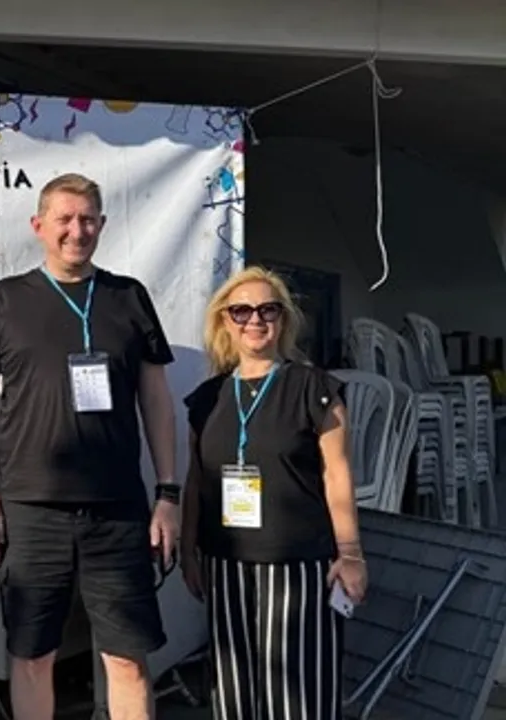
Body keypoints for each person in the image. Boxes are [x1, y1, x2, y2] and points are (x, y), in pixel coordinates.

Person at [0, 173, 181, 720]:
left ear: (102, 225)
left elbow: (156, 399)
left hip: (118, 510)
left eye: (87, 220)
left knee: (127, 658)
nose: (76, 231)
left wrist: (168, 494)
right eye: (64, 219)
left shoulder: (128, 297)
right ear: (39, 226)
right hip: (31, 510)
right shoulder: (7, 298)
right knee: (33, 656)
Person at [179, 266, 366, 720]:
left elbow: (337, 474)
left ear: (283, 320)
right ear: (225, 321)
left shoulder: (314, 388)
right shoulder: (207, 399)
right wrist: (187, 551)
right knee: (234, 695)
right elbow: (197, 479)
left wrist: (351, 552)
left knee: (298, 699)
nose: (255, 320)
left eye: (268, 310)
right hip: (226, 565)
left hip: (299, 566)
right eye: (241, 311)